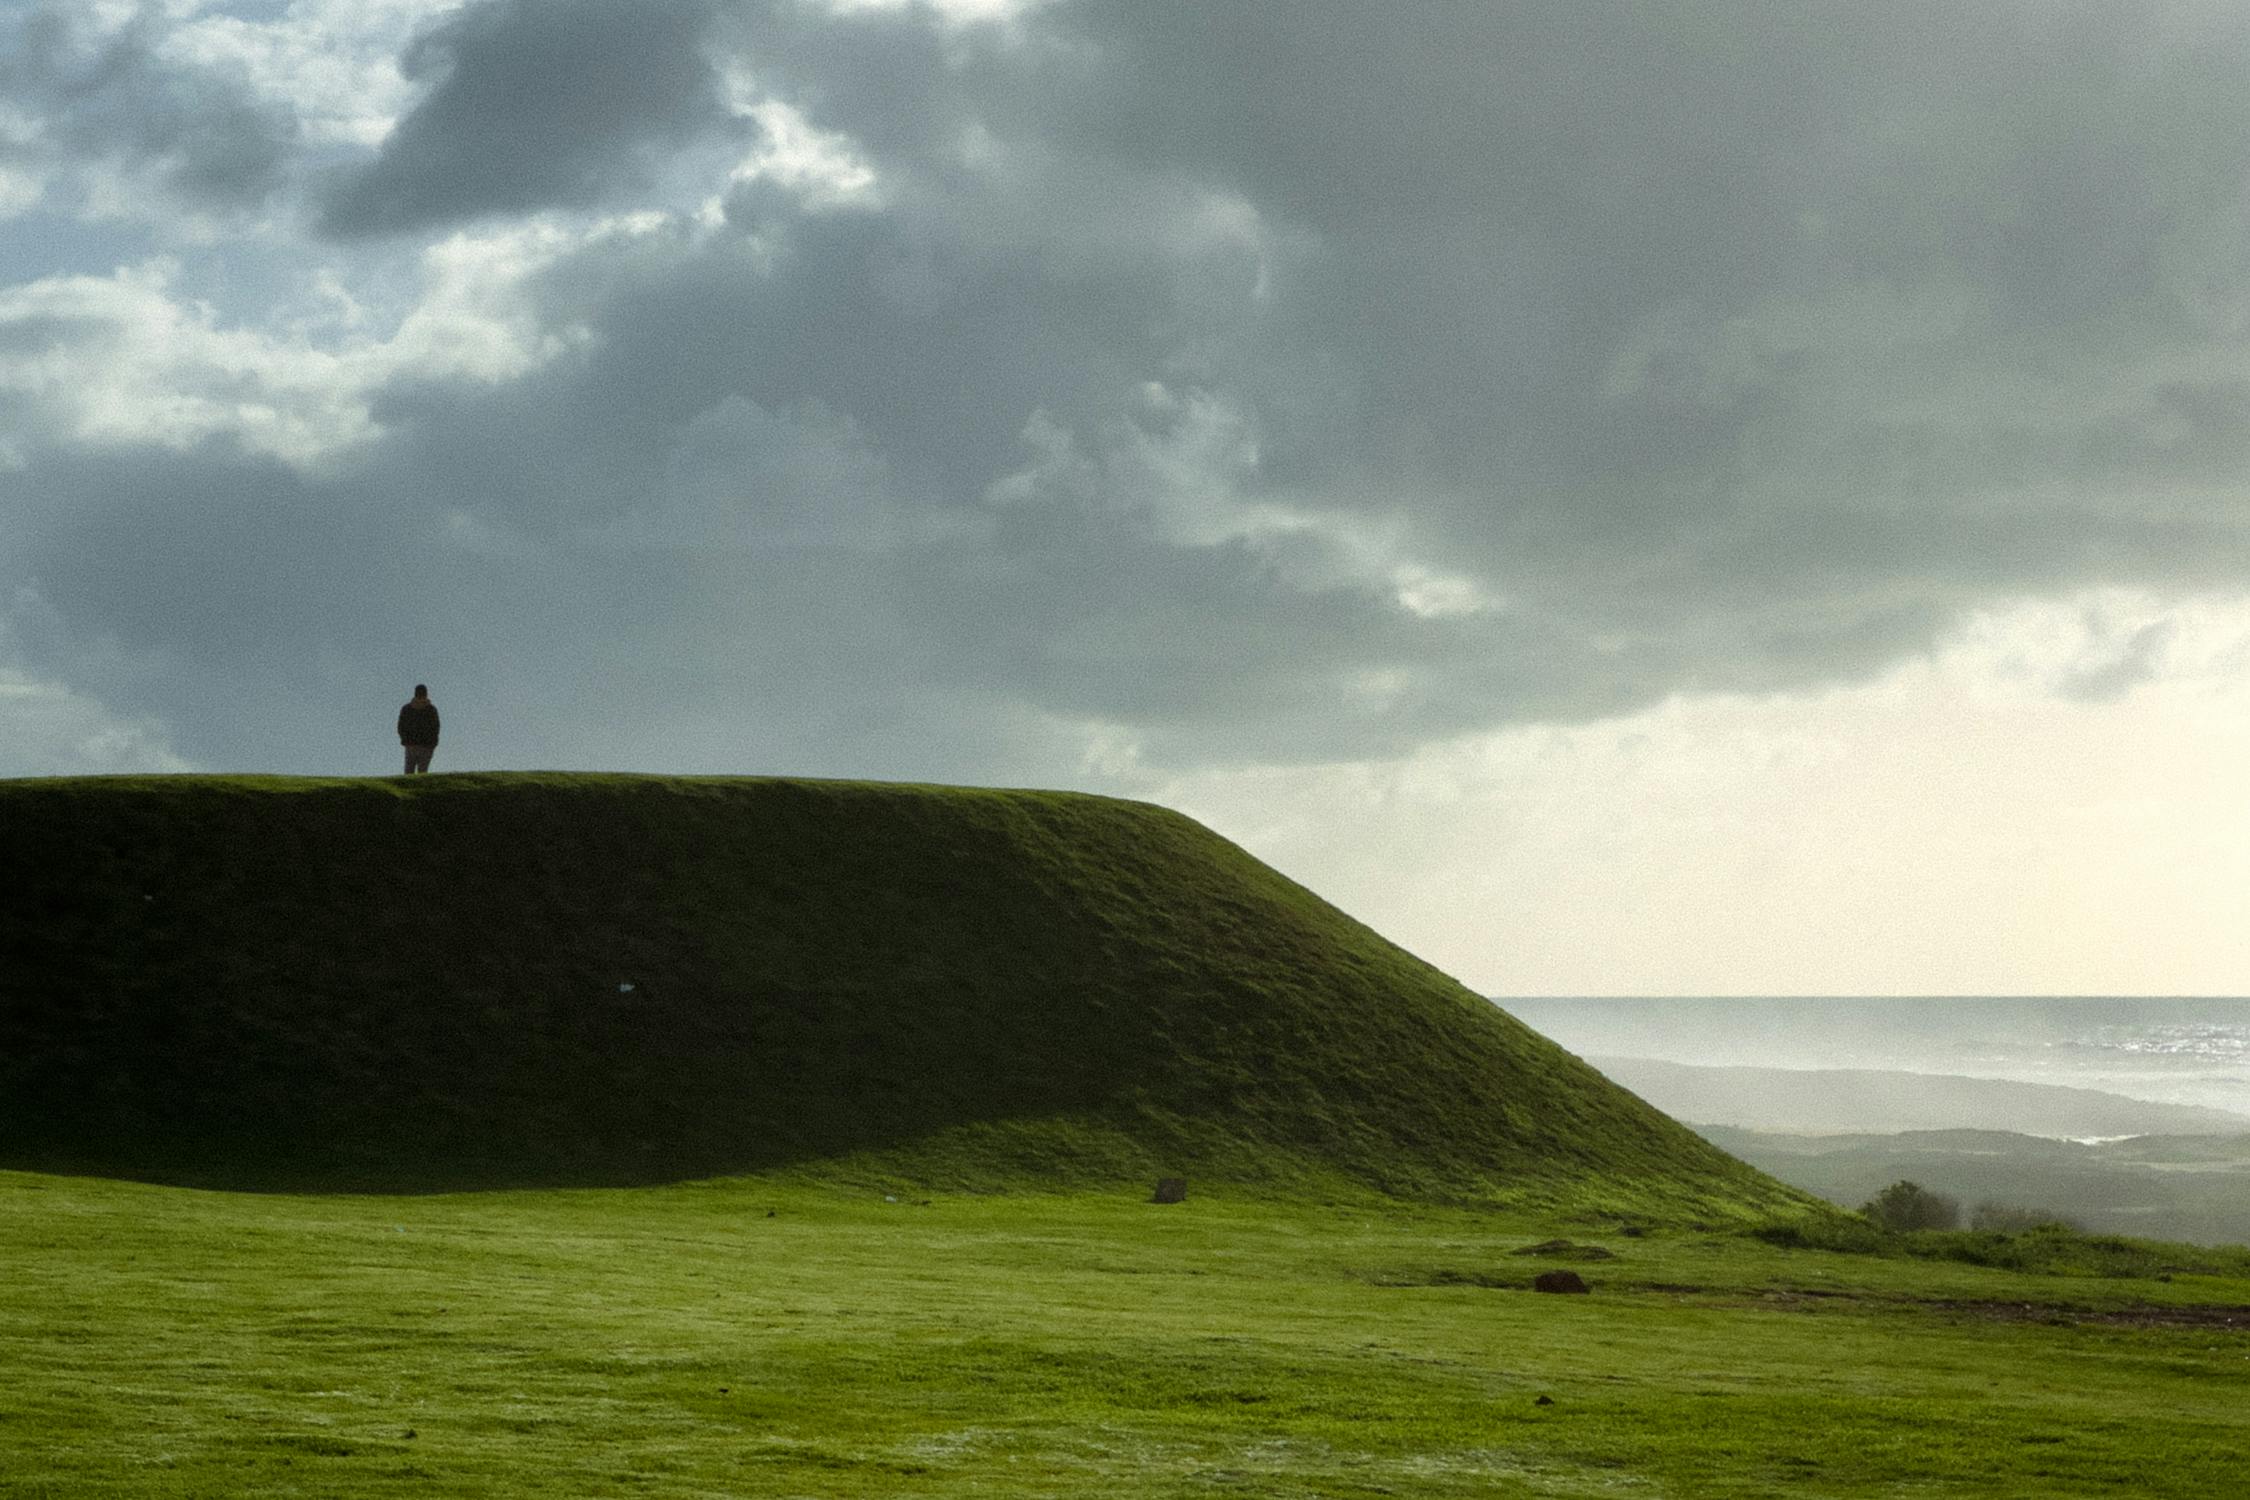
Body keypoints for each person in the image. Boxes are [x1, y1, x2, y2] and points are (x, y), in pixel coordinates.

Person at [397, 684, 440, 774]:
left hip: (412, 745)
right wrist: (433, 743)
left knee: (409, 772)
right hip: (425, 746)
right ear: (426, 694)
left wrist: (405, 740)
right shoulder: (431, 710)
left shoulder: (406, 709)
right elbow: (435, 728)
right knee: (422, 772)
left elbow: (401, 726)